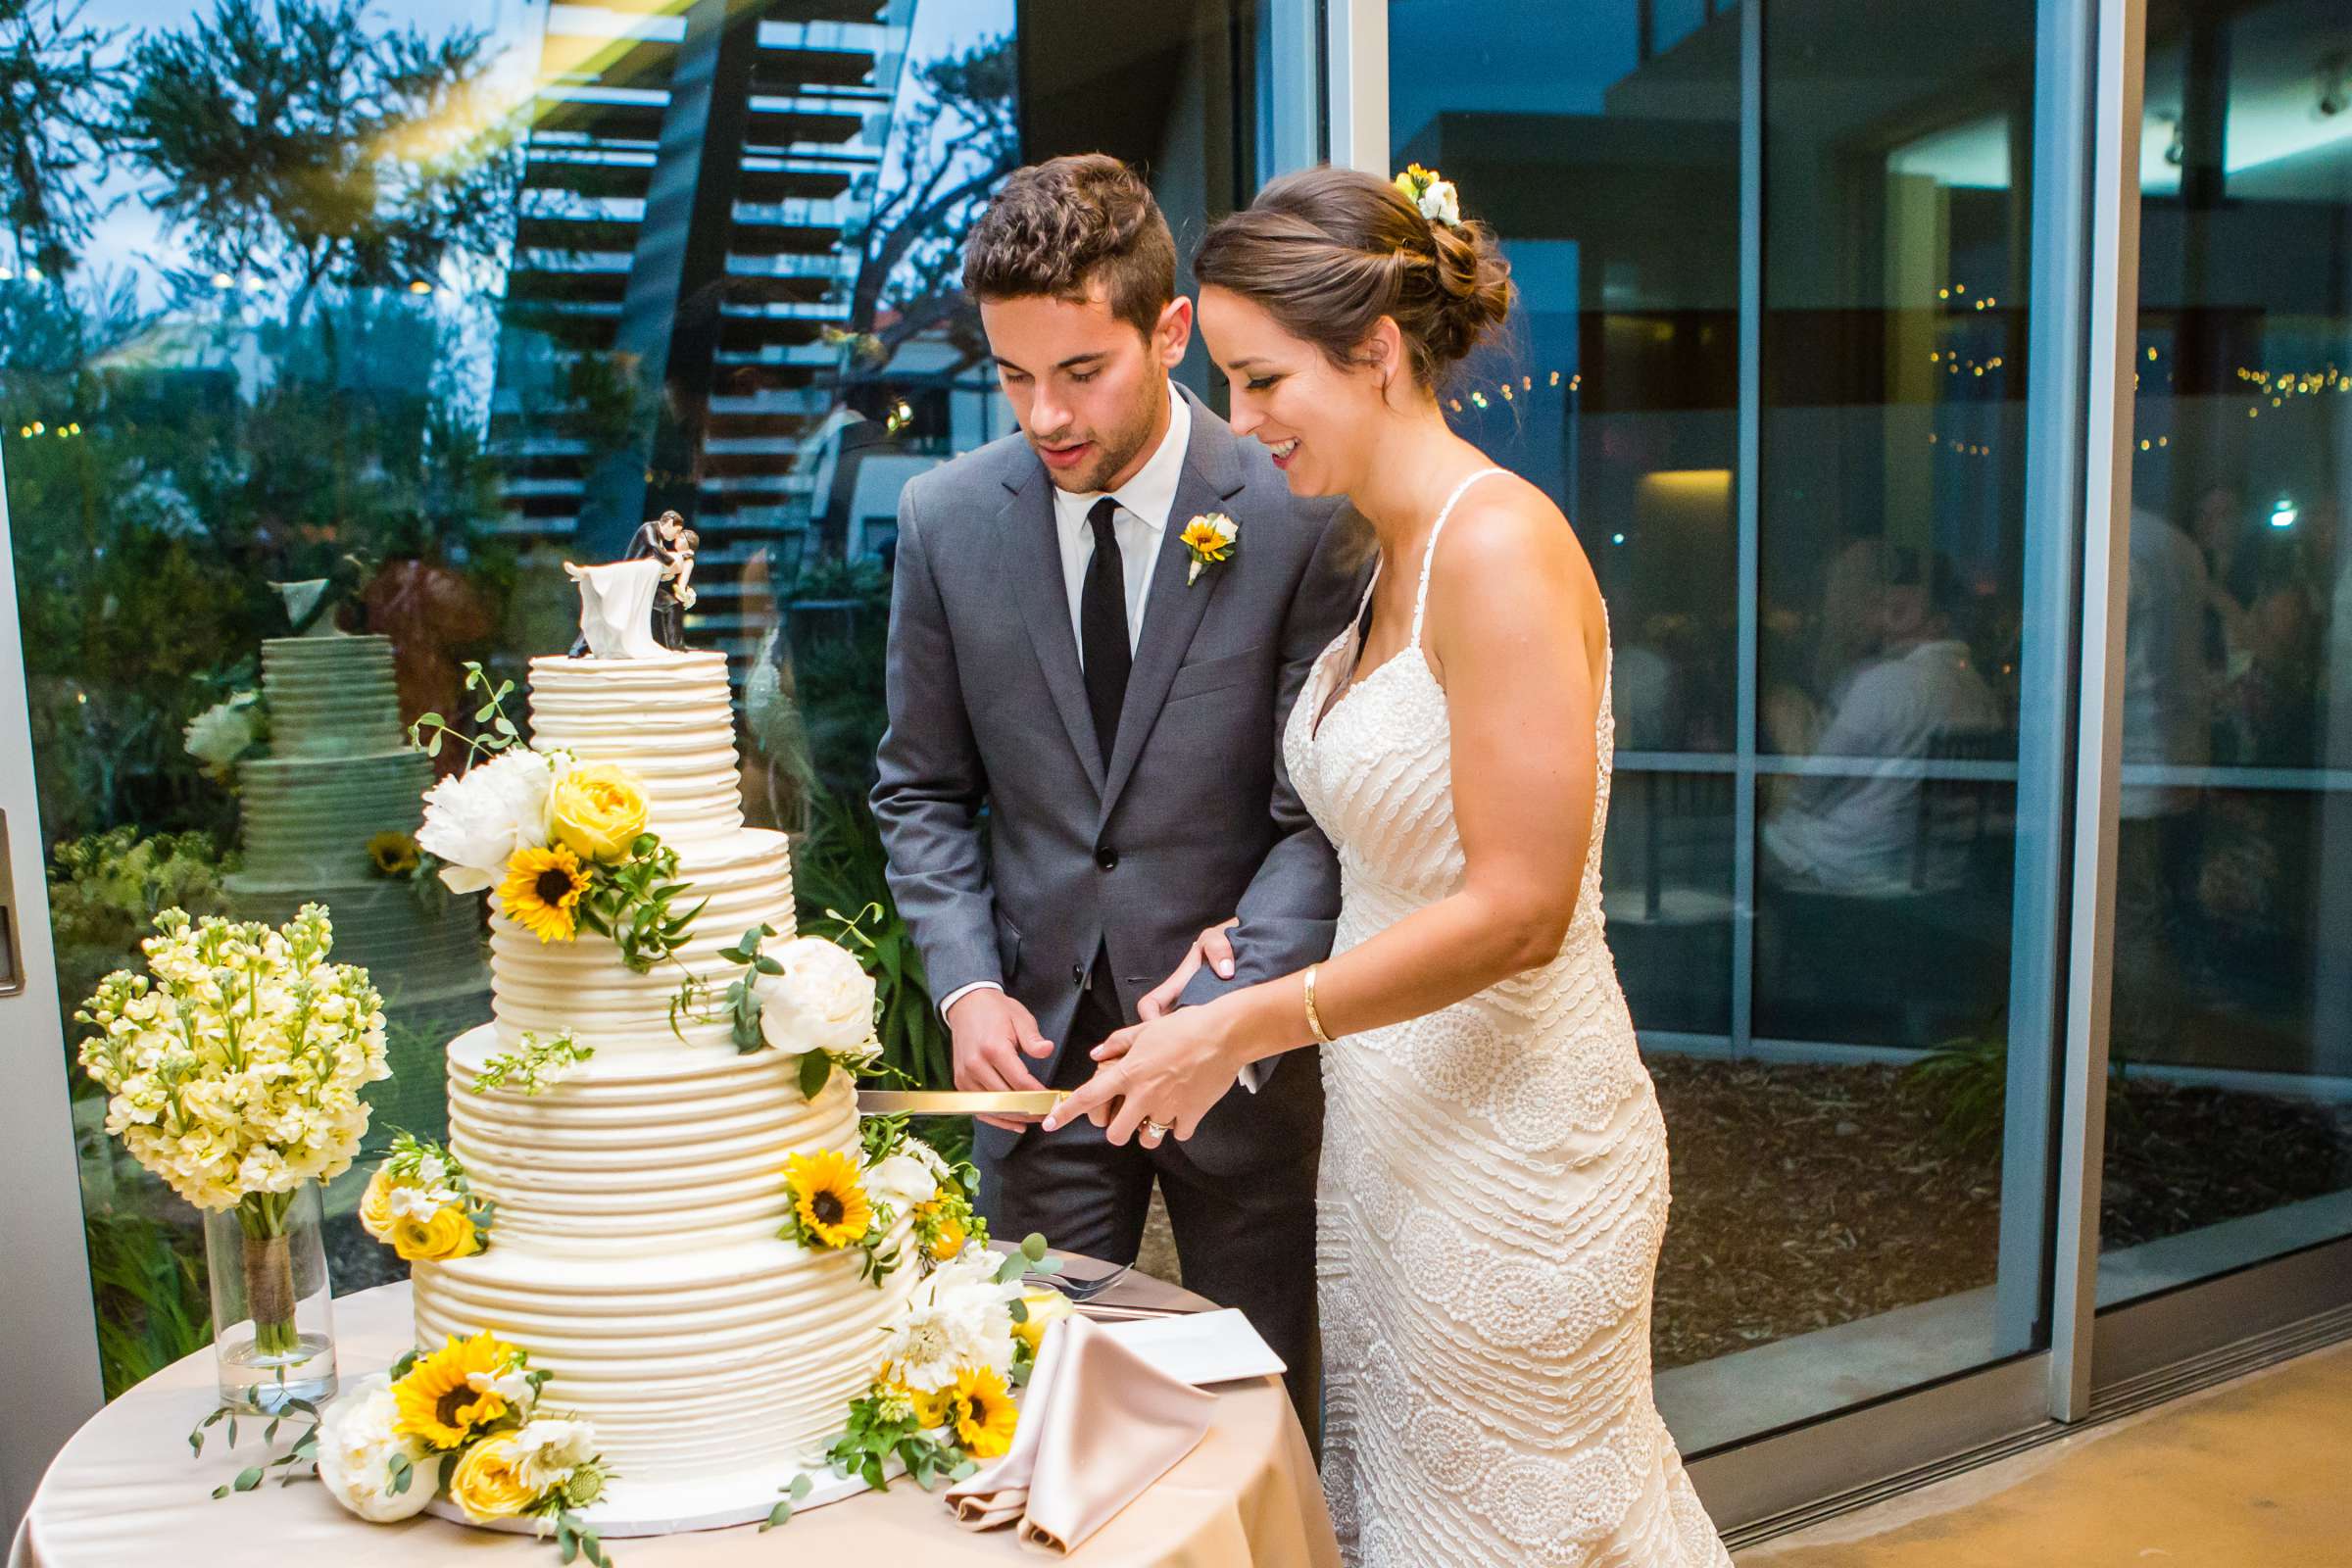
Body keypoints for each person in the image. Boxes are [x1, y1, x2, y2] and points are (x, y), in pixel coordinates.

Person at [1043, 165, 1734, 1567]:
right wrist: (1236, 953)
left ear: (1374, 352)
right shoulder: (1379, 552)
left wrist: (1249, 1023)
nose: (1241, 422)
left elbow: (1523, 907)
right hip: (1389, 1136)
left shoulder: (1501, 546)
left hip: (1519, 1149)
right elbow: (1386, 853)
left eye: (1262, 379)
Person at [868, 154, 1364, 1422]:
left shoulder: (1299, 512)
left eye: (1080, 372)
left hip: (1236, 1063)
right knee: (1027, 1404)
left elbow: (1321, 807)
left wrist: (1234, 993)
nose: (1043, 416)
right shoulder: (942, 520)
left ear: (1171, 329)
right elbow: (920, 789)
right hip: (1037, 1060)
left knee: (1265, 1412)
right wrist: (967, 985)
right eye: (1013, 376)